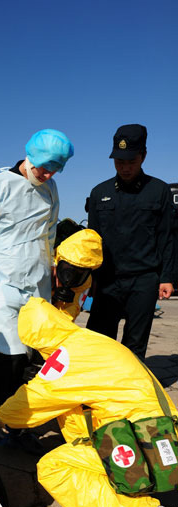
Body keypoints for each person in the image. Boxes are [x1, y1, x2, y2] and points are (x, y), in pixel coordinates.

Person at [0, 298, 178, 507]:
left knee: (53, 467)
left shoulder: (64, 358)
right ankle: (130, 491)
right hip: (160, 433)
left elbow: (35, 398)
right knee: (76, 427)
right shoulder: (87, 340)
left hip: (143, 443)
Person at [0, 129, 74, 426]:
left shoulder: (51, 189)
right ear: (30, 157)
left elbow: (49, 232)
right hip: (4, 282)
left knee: (29, 358)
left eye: (54, 170)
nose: (47, 175)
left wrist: (52, 270)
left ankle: (18, 421)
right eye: (44, 168)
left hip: (37, 284)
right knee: (8, 354)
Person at [86, 124, 174, 360]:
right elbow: (91, 242)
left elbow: (167, 237)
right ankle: (97, 389)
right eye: (119, 162)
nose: (125, 167)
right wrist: (90, 279)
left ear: (143, 156)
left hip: (144, 279)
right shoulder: (99, 193)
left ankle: (129, 391)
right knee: (98, 340)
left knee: (135, 343)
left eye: (131, 162)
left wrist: (166, 277)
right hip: (107, 281)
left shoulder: (159, 191)